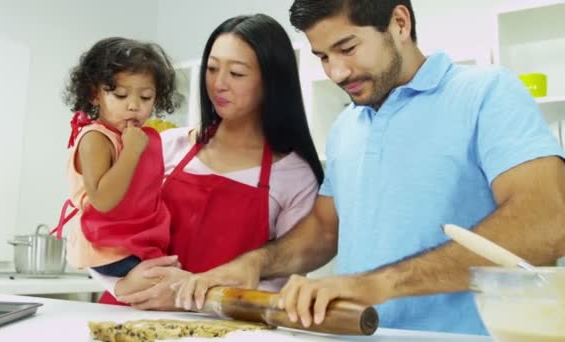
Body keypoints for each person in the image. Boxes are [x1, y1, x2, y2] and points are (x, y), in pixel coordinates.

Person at [173, 0, 565, 335]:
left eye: (348, 48)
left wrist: (378, 284)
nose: (337, 72)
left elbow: (548, 221)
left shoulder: (486, 92)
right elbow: (325, 230)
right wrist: (253, 264)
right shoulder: (348, 125)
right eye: (324, 57)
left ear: (399, 23)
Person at [89, 14, 324, 308]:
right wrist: (121, 283)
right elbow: (96, 225)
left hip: (218, 331)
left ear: (272, 81)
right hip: (125, 314)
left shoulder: (294, 176)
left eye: (237, 73)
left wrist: (189, 298)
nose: (218, 84)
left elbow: (276, 287)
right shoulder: (164, 146)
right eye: (212, 69)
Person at [52, 37, 180, 279]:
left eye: (145, 97)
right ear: (94, 94)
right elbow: (102, 199)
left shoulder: (143, 137)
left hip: (136, 243)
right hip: (105, 249)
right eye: (121, 95)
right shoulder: (96, 138)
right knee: (173, 287)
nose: (134, 106)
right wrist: (131, 152)